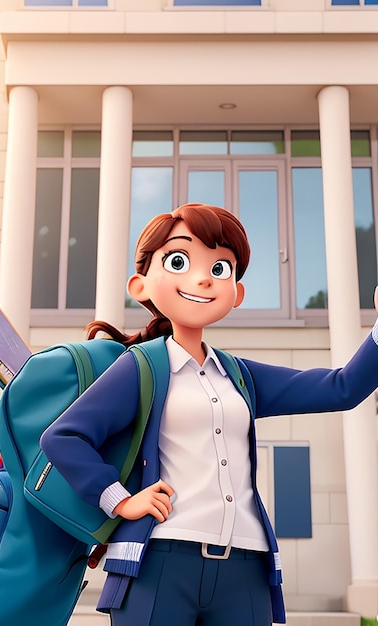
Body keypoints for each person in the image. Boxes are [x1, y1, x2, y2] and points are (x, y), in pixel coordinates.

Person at [41, 203, 378, 626]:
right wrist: (121, 501)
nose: (202, 278)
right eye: (179, 261)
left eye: (221, 268)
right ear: (140, 285)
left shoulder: (240, 376)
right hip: (159, 559)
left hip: (245, 566)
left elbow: (340, 388)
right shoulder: (141, 367)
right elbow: (64, 437)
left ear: (235, 292)